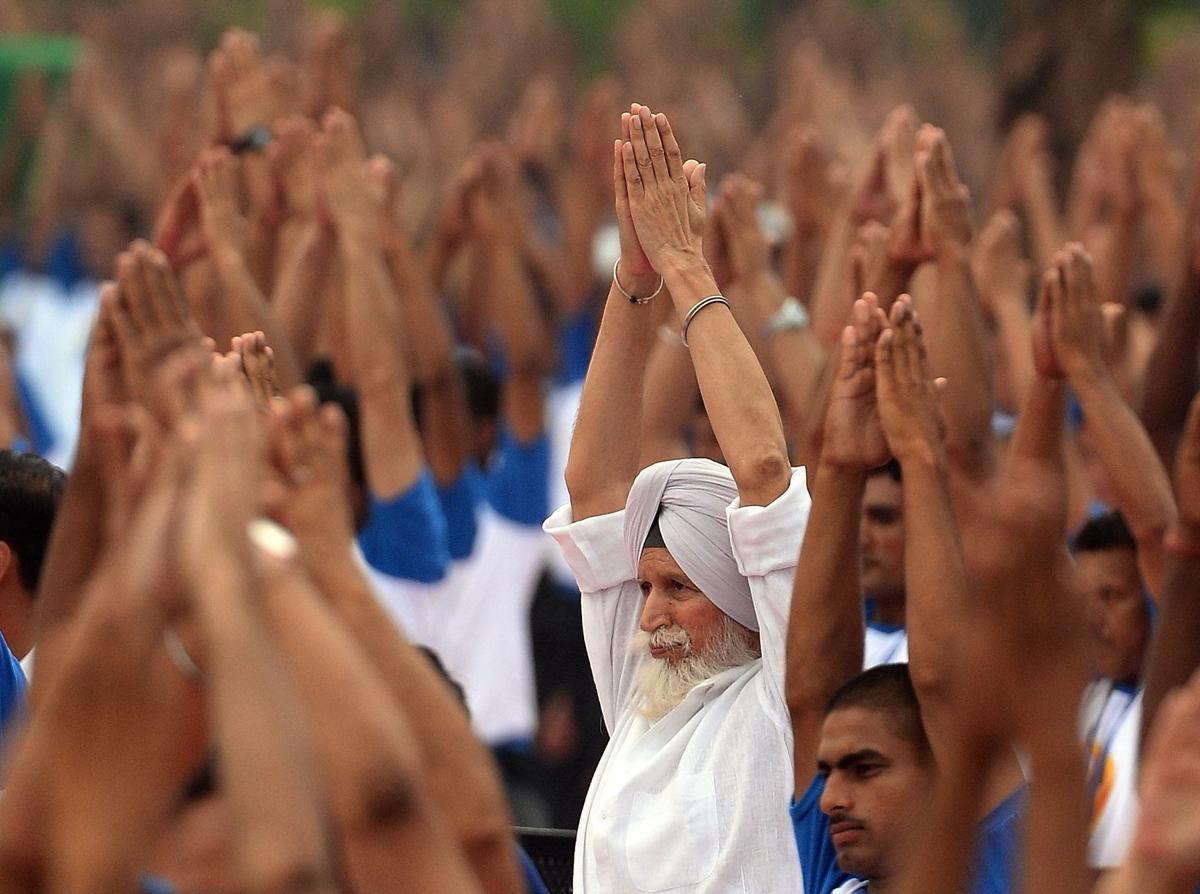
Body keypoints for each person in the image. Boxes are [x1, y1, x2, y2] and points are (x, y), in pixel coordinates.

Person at [545, 104, 806, 891]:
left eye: (679, 588)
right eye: (648, 586)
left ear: (738, 597)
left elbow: (764, 467)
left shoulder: (782, 701)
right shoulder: (643, 697)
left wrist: (688, 268)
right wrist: (634, 280)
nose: (650, 614)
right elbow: (594, 488)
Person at [786, 291, 1025, 894]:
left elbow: (946, 683)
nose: (831, 798)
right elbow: (809, 693)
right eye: (828, 772)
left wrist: (920, 454)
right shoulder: (832, 875)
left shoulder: (993, 868)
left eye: (864, 769)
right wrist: (838, 464)